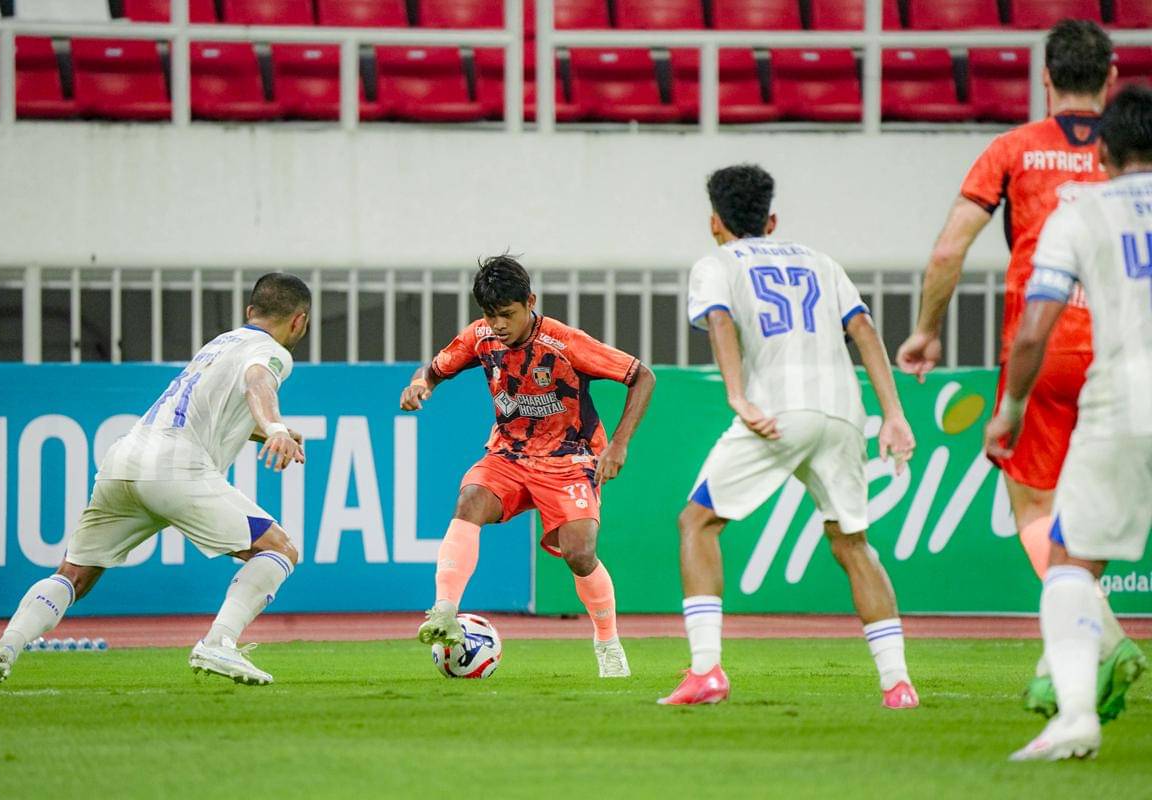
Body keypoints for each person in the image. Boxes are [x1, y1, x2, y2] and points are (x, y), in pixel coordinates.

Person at [894, 19, 1143, 718]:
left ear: (1046, 77)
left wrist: (927, 332)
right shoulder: (1133, 158)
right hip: (1127, 350)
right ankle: (1076, 650)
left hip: (1045, 348)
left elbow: (949, 250)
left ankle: (1106, 637)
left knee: (1036, 507)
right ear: (1111, 77)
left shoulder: (1013, 149)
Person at [0, 272, 311, 689]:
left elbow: (208, 410)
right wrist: (275, 427)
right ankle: (220, 642)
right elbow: (258, 382)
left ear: (250, 311)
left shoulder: (220, 344)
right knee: (279, 549)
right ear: (299, 321)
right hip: (176, 467)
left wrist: (261, 431)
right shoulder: (271, 351)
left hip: (125, 459)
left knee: (74, 575)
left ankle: (3, 648)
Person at [659, 165, 919, 708]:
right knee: (852, 543)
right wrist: (893, 414)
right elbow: (864, 330)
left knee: (697, 523)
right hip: (844, 412)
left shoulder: (716, 263)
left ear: (714, 222)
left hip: (779, 412)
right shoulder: (821, 261)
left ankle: (706, 671)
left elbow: (720, 321)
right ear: (771, 220)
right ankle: (898, 684)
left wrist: (737, 396)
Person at [986, 85, 1152, 761]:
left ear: (1103, 151)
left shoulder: (1079, 213)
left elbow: (1034, 331)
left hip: (1124, 401)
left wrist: (1011, 409)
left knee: (1071, 563)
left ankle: (1078, 717)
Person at [400, 255, 655, 677]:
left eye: (507, 314)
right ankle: (444, 610)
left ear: (530, 302)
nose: (498, 325)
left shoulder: (565, 342)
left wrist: (619, 445)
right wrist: (419, 384)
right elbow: (433, 370)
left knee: (579, 553)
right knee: (470, 500)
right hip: (509, 454)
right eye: (490, 315)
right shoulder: (480, 337)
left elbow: (642, 376)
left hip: (569, 458)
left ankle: (608, 643)